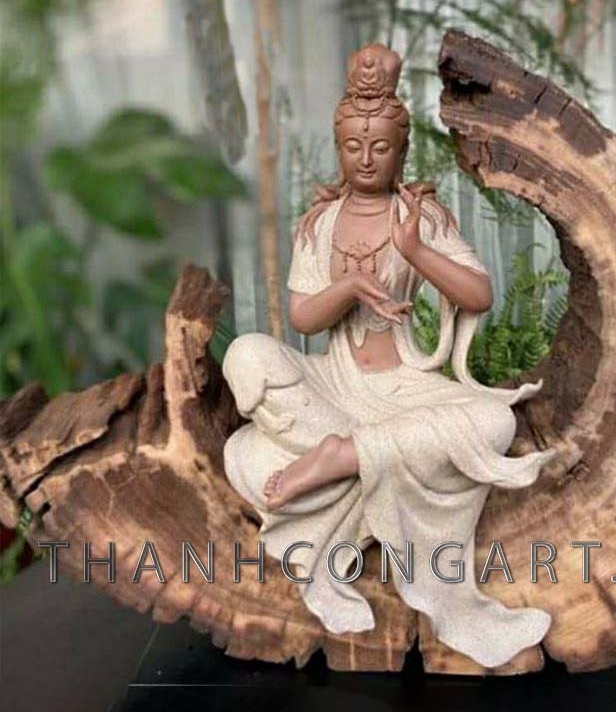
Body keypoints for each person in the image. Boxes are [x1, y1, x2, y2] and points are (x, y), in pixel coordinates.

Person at [223, 43, 557, 667]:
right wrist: (349, 286)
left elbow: (479, 295)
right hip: (332, 385)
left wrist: (416, 252)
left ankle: (341, 457)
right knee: (247, 351)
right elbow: (302, 318)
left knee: (495, 421)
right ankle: (359, 452)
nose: (367, 157)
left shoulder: (418, 218)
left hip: (403, 385)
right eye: (354, 145)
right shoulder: (320, 224)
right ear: (339, 148)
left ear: (402, 151)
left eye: (381, 146)